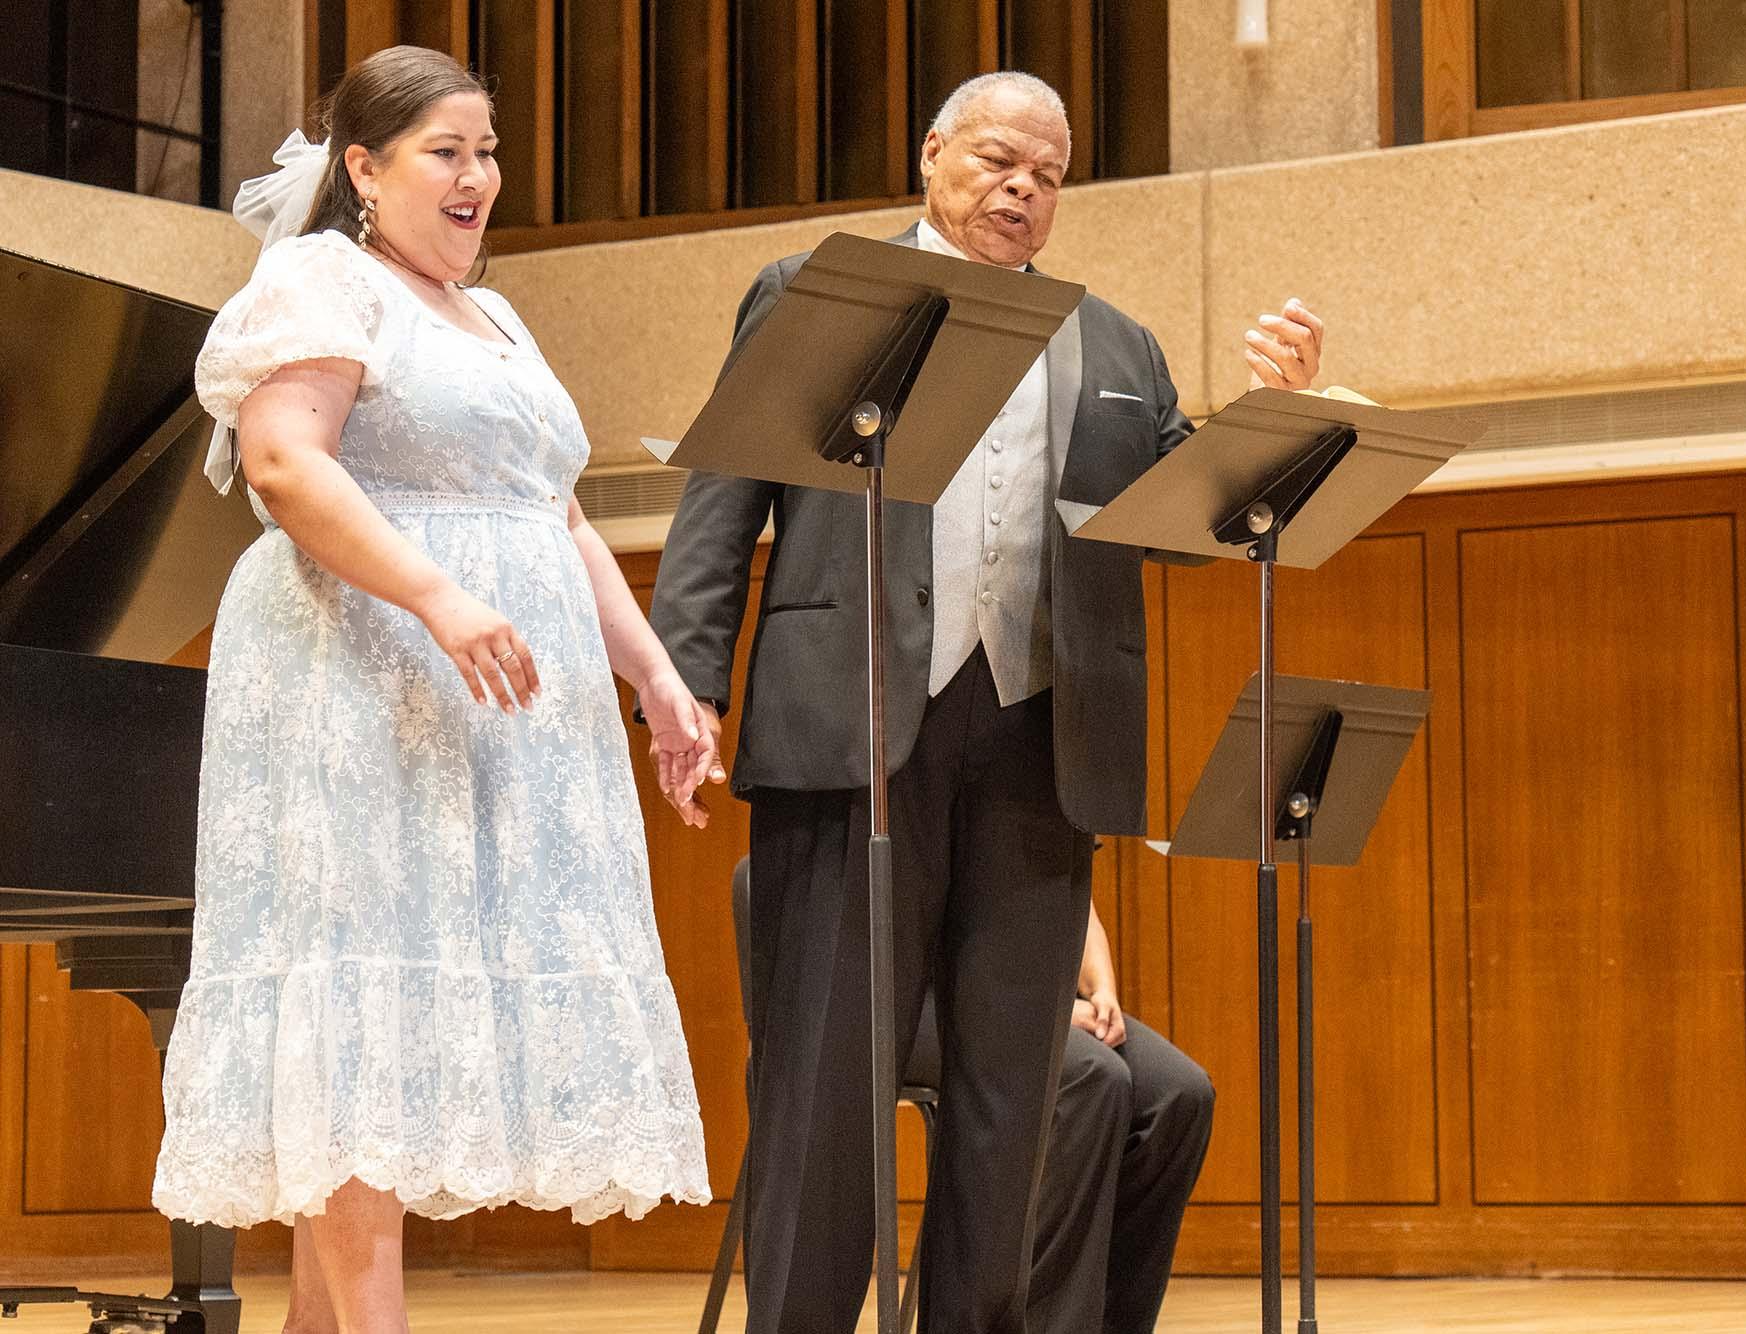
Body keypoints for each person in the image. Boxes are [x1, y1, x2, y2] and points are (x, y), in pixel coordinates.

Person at [653, 70, 1322, 1332]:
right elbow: (720, 497)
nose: (1021, 189)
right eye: (998, 161)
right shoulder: (818, 292)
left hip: (1038, 742)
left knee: (1014, 1098)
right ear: (929, 155)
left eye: (1048, 175)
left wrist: (1272, 418)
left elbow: (1189, 518)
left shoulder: (1114, 344)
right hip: (851, 731)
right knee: (823, 1095)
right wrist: (683, 684)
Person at [152, 46, 716, 1334]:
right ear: (362, 166)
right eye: (445, 152)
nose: (479, 178)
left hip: (500, 716)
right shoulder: (318, 280)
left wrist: (655, 676)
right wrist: (438, 595)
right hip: (358, 681)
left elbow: (558, 514)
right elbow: (287, 464)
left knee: (406, 1023)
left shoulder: (498, 317)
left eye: (488, 151)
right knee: (362, 1010)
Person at [905, 899, 1214, 1334]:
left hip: (1028, 997)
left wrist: (1102, 989)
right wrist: (1040, 1014)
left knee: (1178, 1096)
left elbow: (1076, 892)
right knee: (1092, 1077)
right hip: (917, 1001)